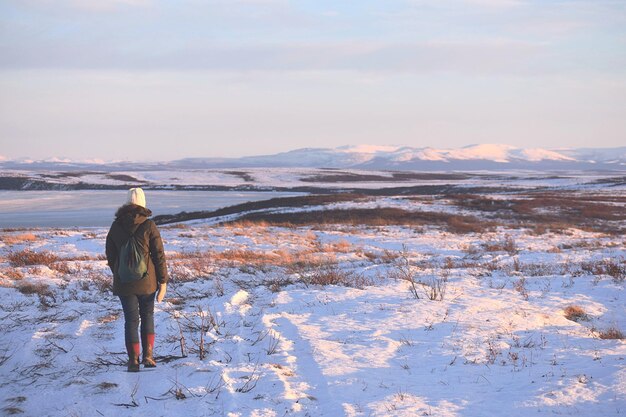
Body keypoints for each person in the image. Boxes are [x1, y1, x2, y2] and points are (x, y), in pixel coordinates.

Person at [106, 188, 169, 372]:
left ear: (126, 203)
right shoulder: (149, 226)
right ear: (143, 203)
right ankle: (148, 356)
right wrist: (163, 281)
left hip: (124, 283)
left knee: (131, 320)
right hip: (147, 283)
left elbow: (110, 254)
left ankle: (133, 361)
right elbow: (159, 255)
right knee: (147, 316)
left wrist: (119, 272)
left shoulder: (116, 226)